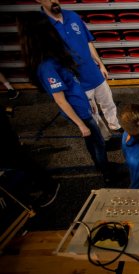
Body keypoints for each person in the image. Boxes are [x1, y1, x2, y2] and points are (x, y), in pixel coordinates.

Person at [17, 12, 112, 184]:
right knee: (96, 141)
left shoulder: (52, 57)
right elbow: (60, 100)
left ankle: (101, 165)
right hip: (78, 111)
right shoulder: (47, 66)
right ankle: (106, 171)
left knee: (93, 141)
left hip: (81, 103)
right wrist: (81, 124)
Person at [37, 0, 122, 139]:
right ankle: (104, 138)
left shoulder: (73, 16)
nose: (54, 1)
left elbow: (88, 41)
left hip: (93, 72)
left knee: (108, 102)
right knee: (92, 112)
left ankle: (116, 126)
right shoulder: (42, 26)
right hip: (76, 79)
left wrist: (100, 64)